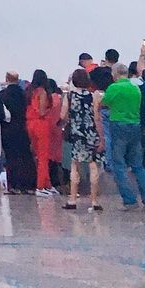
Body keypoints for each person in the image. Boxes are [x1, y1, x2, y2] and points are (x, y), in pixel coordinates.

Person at [102, 63, 145, 209]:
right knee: (138, 165)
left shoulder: (114, 88)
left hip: (118, 125)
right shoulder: (136, 88)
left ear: (114, 74)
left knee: (119, 165)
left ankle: (129, 199)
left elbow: (104, 103)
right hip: (135, 125)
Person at [60, 67, 103, 211]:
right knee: (93, 165)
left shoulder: (70, 96)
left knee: (75, 166)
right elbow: (97, 117)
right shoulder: (94, 95)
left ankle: (72, 200)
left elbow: (63, 116)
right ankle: (94, 201)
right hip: (91, 132)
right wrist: (100, 136)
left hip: (77, 133)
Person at [0, 72, 36, 193]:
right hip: (23, 127)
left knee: (11, 157)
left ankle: (14, 185)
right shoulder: (24, 94)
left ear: (7, 79)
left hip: (8, 129)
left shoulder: (3, 94)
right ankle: (29, 185)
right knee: (25, 156)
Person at [26, 68, 58, 197]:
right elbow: (42, 111)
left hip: (30, 124)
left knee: (39, 155)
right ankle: (40, 186)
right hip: (41, 124)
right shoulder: (43, 92)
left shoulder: (30, 92)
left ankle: (47, 184)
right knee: (44, 156)